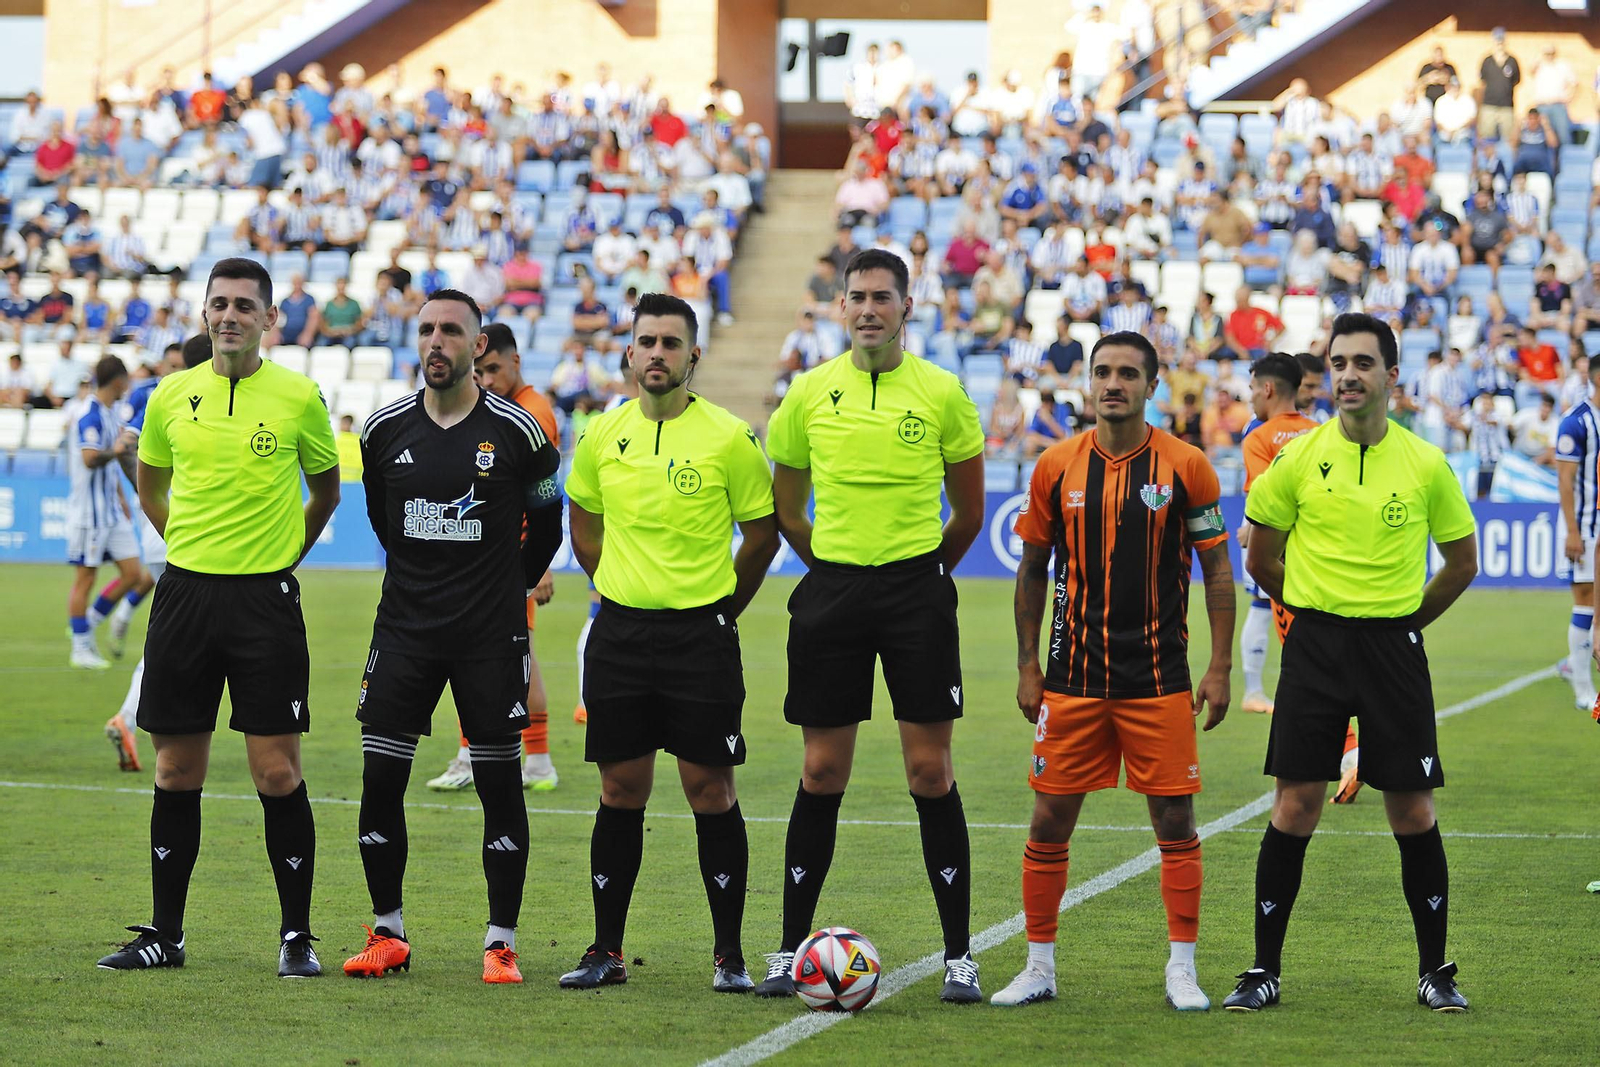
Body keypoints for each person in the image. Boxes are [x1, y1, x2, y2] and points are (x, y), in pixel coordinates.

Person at [1222, 313, 1478, 1013]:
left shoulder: (1425, 462)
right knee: (1296, 804)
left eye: (1363, 362)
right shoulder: (1298, 459)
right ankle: (1263, 970)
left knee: (1413, 809)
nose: (1348, 375)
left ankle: (1435, 971)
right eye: (1338, 363)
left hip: (1394, 648)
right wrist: (1308, 611)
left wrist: (1409, 622)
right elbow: (1259, 555)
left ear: (1393, 375)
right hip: (1316, 648)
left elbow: (1462, 562)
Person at [97, 258, 341, 978]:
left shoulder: (299, 396)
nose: (229, 315)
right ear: (204, 313)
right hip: (186, 598)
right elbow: (151, 483)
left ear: (270, 318)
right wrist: (187, 545)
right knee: (175, 768)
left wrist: (284, 552)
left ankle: (296, 935)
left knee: (275, 771)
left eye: (243, 305)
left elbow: (324, 491)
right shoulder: (171, 395)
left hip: (265, 601)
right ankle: (165, 936)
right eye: (218, 303)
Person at [756, 248, 987, 1003]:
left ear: (906, 306)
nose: (867, 310)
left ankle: (960, 955)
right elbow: (788, 507)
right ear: (840, 305)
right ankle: (789, 949)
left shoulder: (944, 392)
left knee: (930, 770)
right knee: (822, 770)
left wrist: (921, 574)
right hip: (833, 595)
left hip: (917, 591)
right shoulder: (809, 392)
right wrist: (832, 567)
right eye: (856, 297)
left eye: (882, 297)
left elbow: (970, 512)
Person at [991, 331, 1234, 1011]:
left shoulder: (1187, 465)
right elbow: (1033, 569)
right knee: (1048, 819)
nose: (1113, 383)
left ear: (1152, 385)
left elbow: (1218, 570)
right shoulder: (1055, 466)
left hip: (1158, 678)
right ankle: (1039, 965)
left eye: (1129, 373)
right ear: (1089, 381)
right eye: (1103, 372)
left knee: (1175, 820)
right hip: (1072, 679)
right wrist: (1026, 664)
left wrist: (1218, 666)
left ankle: (1180, 967)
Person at [556, 292, 777, 993]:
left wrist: (722, 609)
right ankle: (606, 951)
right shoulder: (598, 436)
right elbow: (582, 523)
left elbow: (762, 533)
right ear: (628, 351)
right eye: (646, 341)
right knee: (621, 788)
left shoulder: (728, 437)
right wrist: (618, 585)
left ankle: (729, 955)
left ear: (693, 356)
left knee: (709, 787)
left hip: (700, 637)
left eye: (670, 343)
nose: (657, 353)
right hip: (620, 633)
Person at [341, 289, 562, 986]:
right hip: (404, 630)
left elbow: (547, 527)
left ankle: (500, 941)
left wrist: (509, 586)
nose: (437, 341)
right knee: (382, 780)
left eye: (452, 331)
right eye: (427, 329)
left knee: (501, 786)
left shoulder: (519, 432)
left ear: (479, 348)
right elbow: (384, 520)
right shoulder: (382, 431)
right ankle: (388, 931)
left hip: (489, 637)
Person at [422, 322, 565, 792]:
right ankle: (538, 761)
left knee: (489, 658)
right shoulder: (509, 409)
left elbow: (538, 497)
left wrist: (535, 565)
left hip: (510, 560)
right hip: (503, 558)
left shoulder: (531, 414)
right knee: (519, 657)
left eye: (495, 369)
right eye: (480, 371)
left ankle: (473, 756)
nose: (486, 379)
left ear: (516, 362)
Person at [104, 336, 213, 773]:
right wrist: (160, 501)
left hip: (159, 532)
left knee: (177, 634)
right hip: (184, 531)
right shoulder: (195, 396)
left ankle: (135, 716)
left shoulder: (154, 394)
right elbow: (122, 448)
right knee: (188, 638)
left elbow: (126, 446)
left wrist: (150, 499)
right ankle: (136, 718)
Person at [1236, 354, 1320, 715]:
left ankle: (1259, 692)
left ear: (1267, 388)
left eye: (1253, 388)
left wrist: (1251, 529)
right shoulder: (1319, 431)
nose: (1251, 396)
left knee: (1263, 608)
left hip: (1270, 540)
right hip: (1313, 542)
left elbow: (1261, 492)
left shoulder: (1257, 433)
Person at [65, 355, 150, 670]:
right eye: (125, 381)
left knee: (134, 574)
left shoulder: (111, 414)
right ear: (118, 381)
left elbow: (111, 462)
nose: (127, 387)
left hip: (112, 512)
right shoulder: (89, 415)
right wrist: (113, 452)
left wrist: (122, 498)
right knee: (85, 579)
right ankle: (80, 647)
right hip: (89, 514)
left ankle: (87, 622)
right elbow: (89, 459)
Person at [1556, 357, 1600, 711]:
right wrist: (1573, 531)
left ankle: (1575, 664)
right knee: (1586, 599)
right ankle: (1583, 689)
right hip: (1584, 525)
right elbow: (1566, 480)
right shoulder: (1577, 422)